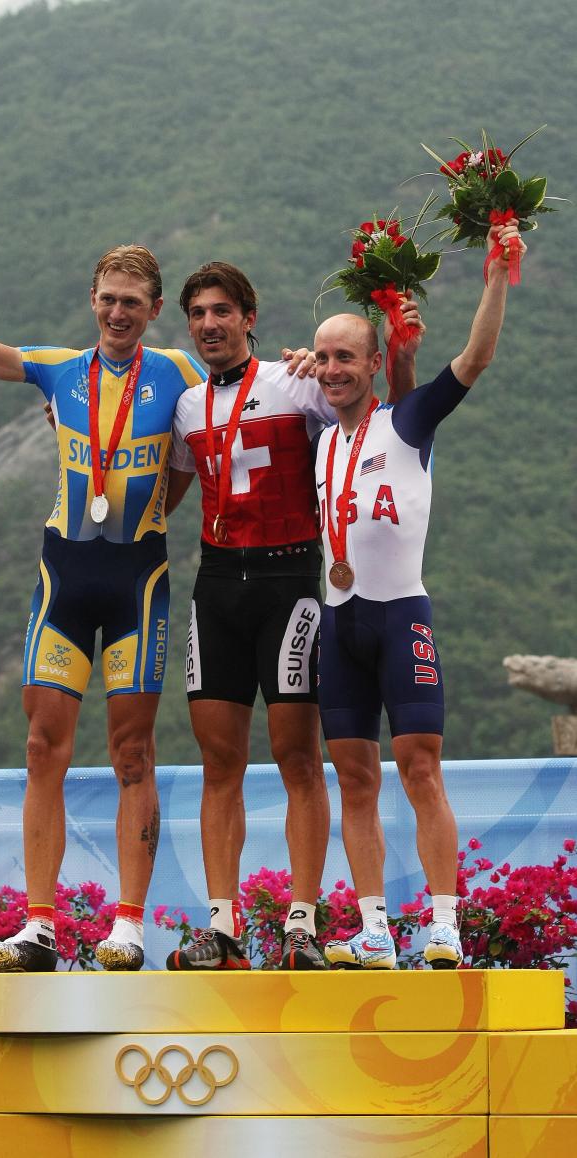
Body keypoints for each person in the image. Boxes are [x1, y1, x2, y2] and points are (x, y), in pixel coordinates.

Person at [0, 202, 207, 972]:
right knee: (40, 747)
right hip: (64, 576)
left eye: (133, 302)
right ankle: (41, 925)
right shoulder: (59, 369)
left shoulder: (179, 373)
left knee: (132, 754)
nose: (119, 313)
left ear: (155, 311)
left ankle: (126, 925)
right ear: (94, 302)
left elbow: (251, 380)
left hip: (137, 582)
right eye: (108, 299)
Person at [164, 262, 421, 970]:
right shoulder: (186, 407)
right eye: (198, 314)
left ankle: (300, 925)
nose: (210, 324)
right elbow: (162, 501)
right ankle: (221, 929)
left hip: (290, 582)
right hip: (215, 586)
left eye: (223, 311)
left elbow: (380, 425)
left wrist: (395, 356)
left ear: (250, 318)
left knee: (297, 759)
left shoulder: (298, 381)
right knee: (220, 761)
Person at [312, 220, 526, 970]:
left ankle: (443, 925)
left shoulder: (407, 424)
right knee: (354, 776)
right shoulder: (322, 438)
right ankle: (373, 929)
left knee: (419, 766)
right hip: (336, 625)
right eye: (325, 357)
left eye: (348, 357)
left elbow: (476, 357)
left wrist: (496, 275)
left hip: (400, 617)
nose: (333, 369)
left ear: (375, 363)